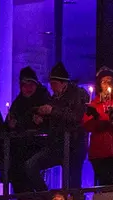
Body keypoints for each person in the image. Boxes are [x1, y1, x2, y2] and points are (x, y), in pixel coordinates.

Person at [23, 64, 89, 192]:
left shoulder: (78, 95)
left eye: (54, 83)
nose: (52, 87)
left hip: (74, 146)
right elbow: (58, 118)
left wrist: (52, 111)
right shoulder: (54, 98)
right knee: (30, 165)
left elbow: (76, 116)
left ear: (63, 83)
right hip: (56, 145)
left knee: (73, 183)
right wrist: (42, 119)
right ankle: (48, 198)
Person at [83, 67, 113, 188]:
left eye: (110, 81)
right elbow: (87, 124)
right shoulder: (94, 104)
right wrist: (101, 122)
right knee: (104, 186)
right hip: (99, 152)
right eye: (104, 81)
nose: (107, 84)